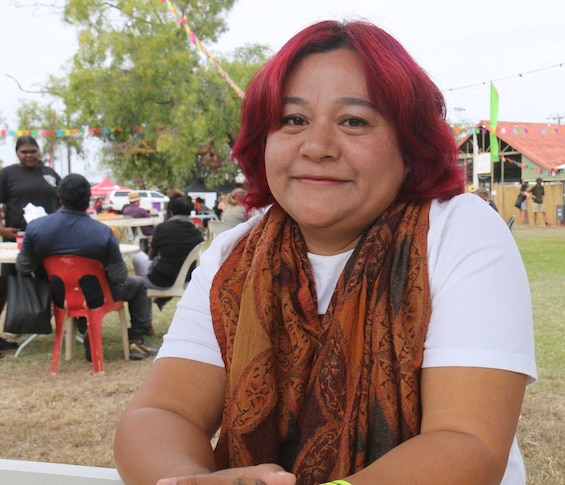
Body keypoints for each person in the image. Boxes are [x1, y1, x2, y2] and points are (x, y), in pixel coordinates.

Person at [115, 20, 536, 485]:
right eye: (293, 120)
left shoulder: (458, 232)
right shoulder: (234, 257)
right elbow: (161, 412)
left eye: (354, 121)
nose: (316, 147)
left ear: (410, 146)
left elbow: (466, 442)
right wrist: (188, 480)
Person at [16, 174, 159, 361]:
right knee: (138, 284)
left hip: (58, 296)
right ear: (88, 198)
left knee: (79, 287)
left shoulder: (36, 228)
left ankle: (86, 327)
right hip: (97, 295)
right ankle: (137, 341)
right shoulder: (102, 232)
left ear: (60, 197)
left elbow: (23, 267)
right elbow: (119, 277)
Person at [0, 135, 62, 352]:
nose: (29, 156)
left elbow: (64, 200)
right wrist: (1, 230)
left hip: (49, 238)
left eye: (32, 151)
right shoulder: (7, 174)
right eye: (24, 152)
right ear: (17, 153)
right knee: (6, 283)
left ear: (39, 151)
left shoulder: (49, 174)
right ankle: (9, 328)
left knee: (55, 279)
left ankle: (71, 324)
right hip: (17, 238)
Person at [132, 195, 204, 290]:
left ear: (171, 211)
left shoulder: (162, 228)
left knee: (137, 257)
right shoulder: (197, 233)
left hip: (161, 280)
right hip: (186, 281)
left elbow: (150, 256)